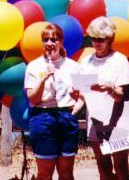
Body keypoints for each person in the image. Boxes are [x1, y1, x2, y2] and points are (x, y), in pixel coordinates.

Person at [24, 24, 83, 180]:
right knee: (44, 174)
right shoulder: (34, 66)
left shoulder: (73, 66)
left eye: (53, 39)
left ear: (61, 41)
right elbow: (32, 98)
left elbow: (83, 94)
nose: (49, 43)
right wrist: (43, 79)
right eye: (45, 40)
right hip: (43, 117)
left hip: (66, 117)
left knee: (66, 173)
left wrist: (77, 107)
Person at [76, 16, 129, 180]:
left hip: (118, 121)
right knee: (103, 169)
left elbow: (123, 95)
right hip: (95, 120)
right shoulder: (86, 61)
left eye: (100, 39)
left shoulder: (120, 60)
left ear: (110, 39)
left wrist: (111, 90)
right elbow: (81, 93)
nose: (96, 42)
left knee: (121, 169)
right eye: (93, 38)